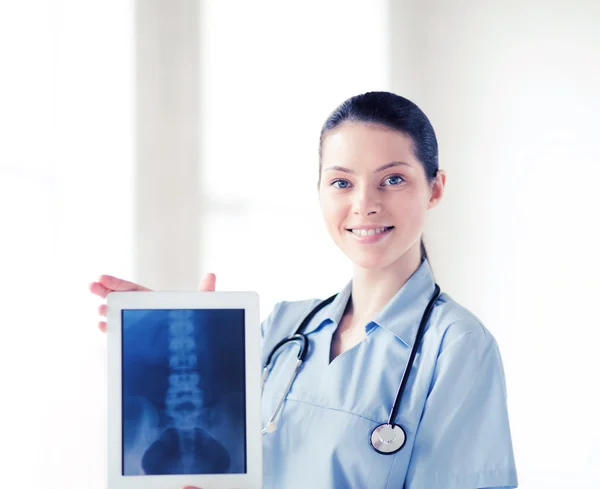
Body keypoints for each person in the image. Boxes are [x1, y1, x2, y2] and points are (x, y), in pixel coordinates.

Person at [90, 91, 518, 488]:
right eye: (342, 182)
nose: (364, 203)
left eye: (392, 180)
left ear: (435, 188)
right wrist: (178, 343)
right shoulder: (282, 327)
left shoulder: (457, 346)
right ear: (320, 191)